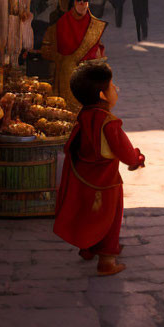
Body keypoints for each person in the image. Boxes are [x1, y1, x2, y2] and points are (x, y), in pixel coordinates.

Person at [53, 62, 145, 276]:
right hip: (106, 182)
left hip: (82, 177)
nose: (117, 90)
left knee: (88, 214)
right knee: (110, 219)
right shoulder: (109, 122)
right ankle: (107, 261)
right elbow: (125, 152)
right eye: (113, 86)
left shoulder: (83, 116)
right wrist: (137, 158)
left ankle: (88, 248)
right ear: (103, 96)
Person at [41, 0, 106, 111]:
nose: (82, 3)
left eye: (85, 1)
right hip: (65, 78)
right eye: (79, 0)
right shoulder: (61, 24)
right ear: (73, 2)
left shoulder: (95, 26)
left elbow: (99, 50)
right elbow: (47, 50)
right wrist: (63, 61)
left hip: (88, 79)